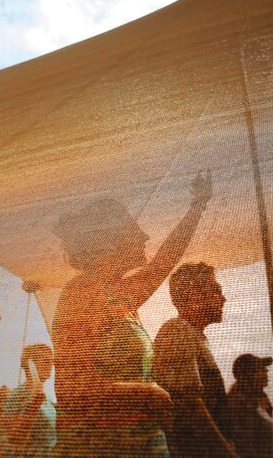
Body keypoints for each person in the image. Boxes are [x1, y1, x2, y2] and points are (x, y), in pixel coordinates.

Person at [51, 171, 212, 457]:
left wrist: (197, 205)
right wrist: (145, 392)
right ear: (109, 240)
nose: (145, 235)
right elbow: (69, 388)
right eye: (134, 228)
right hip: (98, 447)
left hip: (140, 442)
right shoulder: (81, 294)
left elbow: (163, 263)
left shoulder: (120, 294)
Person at [153, 262, 238, 458]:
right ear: (194, 295)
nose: (223, 298)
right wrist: (226, 453)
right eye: (217, 291)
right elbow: (188, 405)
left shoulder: (193, 334)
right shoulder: (178, 331)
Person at [0, 344, 56, 458]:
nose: (51, 366)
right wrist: (35, 404)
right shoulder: (17, 395)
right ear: (31, 364)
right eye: (46, 361)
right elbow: (14, 436)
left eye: (52, 362)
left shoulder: (48, 400)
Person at [220, 353, 273, 458]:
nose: (266, 372)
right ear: (247, 375)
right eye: (260, 370)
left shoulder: (259, 398)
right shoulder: (240, 403)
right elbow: (243, 444)